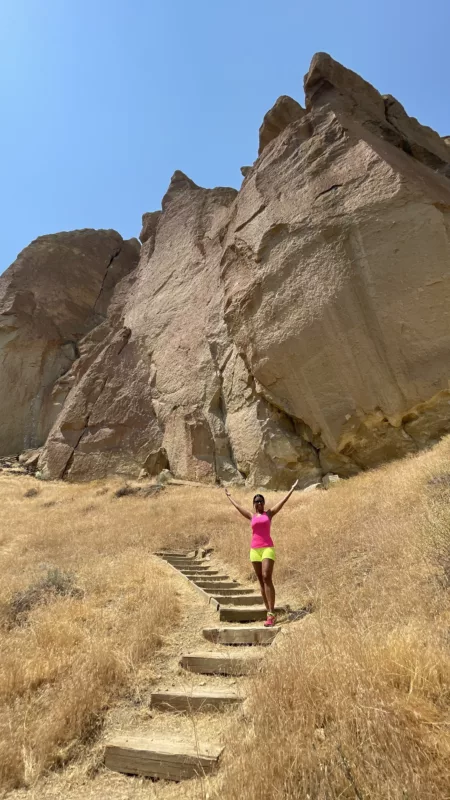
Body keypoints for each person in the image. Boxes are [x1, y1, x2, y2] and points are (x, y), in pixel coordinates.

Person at [224, 480, 299, 627]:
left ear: (264, 503)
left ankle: (271, 612)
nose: (259, 503)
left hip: (267, 548)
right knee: (260, 580)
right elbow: (238, 507)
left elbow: (282, 502)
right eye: (256, 501)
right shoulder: (251, 516)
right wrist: (229, 496)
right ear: (254, 504)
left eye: (261, 501)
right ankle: (269, 613)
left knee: (266, 576)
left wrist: (291, 489)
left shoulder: (269, 514)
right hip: (254, 550)